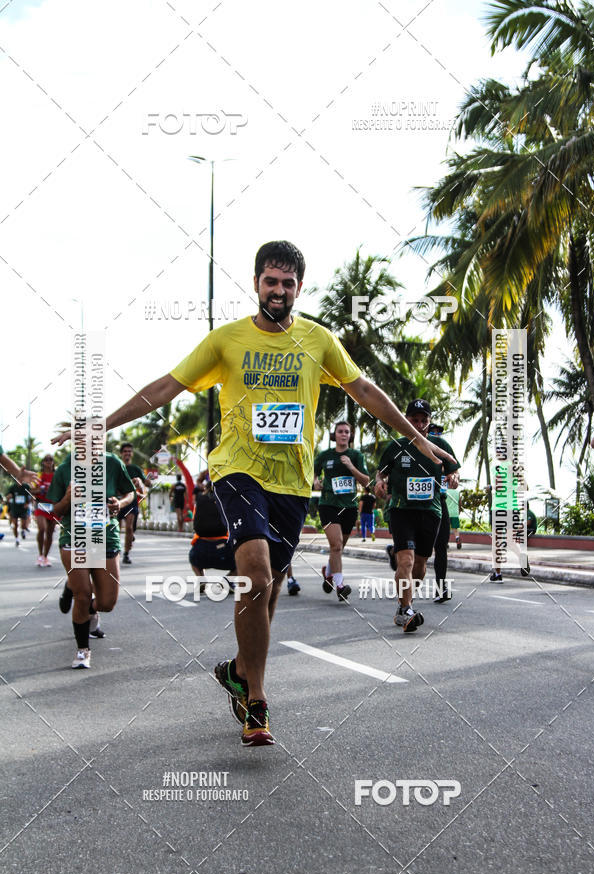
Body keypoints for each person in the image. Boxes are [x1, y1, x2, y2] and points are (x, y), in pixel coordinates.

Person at [54, 240, 454, 743]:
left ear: (299, 288)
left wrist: (417, 436)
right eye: (271, 281)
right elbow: (165, 388)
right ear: (257, 283)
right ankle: (258, 703)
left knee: (266, 589)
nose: (279, 290)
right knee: (257, 571)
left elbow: (365, 390)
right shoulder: (227, 342)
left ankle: (239, 670)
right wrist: (101, 423)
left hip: (292, 482)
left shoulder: (319, 340)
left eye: (288, 283)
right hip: (238, 472)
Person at [376, 399, 460, 631]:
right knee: (406, 560)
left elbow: (455, 472)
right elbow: (380, 474)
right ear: (406, 420)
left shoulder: (439, 444)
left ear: (429, 421)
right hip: (402, 510)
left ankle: (406, 604)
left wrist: (453, 478)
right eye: (414, 420)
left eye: (424, 420)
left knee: (421, 564)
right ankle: (405, 610)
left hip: (431, 511)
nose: (420, 424)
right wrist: (380, 483)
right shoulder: (396, 446)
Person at [47, 452, 135, 669]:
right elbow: (54, 511)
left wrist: (119, 503)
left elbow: (131, 492)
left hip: (105, 537)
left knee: (107, 603)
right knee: (83, 595)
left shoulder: (112, 462)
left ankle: (72, 587)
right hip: (74, 538)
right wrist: (67, 498)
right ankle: (82, 650)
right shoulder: (64, 468)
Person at [314, 422, 369, 601]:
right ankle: (340, 585)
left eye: (347, 432)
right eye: (340, 431)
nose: (343, 434)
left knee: (339, 547)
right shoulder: (325, 456)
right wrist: (315, 481)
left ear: (350, 435)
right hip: (328, 504)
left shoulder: (356, 455)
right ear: (334, 435)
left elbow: (367, 481)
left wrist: (351, 467)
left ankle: (328, 571)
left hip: (349, 506)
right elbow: (312, 473)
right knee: (336, 545)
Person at [427, 424, 460, 603]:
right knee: (414, 549)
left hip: (440, 502)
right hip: (417, 506)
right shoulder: (415, 446)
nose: (437, 434)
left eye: (439, 432)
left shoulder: (444, 449)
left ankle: (441, 588)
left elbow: (455, 472)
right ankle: (394, 552)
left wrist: (454, 477)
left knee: (441, 547)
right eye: (433, 431)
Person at [118, 442, 152, 564]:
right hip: (118, 500)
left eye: (129, 451)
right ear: (121, 453)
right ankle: (115, 550)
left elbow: (148, 483)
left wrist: (142, 481)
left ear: (131, 454)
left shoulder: (135, 469)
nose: (127, 453)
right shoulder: (117, 467)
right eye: (125, 451)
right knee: (114, 529)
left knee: (129, 528)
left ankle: (126, 554)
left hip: (131, 502)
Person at [32, 454, 58, 566]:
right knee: (42, 528)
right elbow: (32, 491)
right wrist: (40, 490)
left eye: (50, 459)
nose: (48, 461)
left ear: (53, 462)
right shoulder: (39, 475)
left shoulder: (57, 475)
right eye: (46, 459)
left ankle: (45, 557)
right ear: (42, 462)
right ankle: (40, 554)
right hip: (41, 505)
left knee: (50, 532)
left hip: (53, 506)